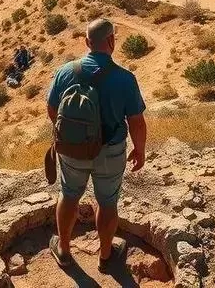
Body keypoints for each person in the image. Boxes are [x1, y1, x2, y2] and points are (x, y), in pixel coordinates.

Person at [46, 18, 147, 274]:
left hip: (73, 150)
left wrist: (70, 136)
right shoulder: (126, 78)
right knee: (107, 201)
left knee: (69, 195)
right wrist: (140, 149)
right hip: (111, 151)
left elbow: (52, 109)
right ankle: (105, 255)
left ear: (87, 42)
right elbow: (136, 121)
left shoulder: (65, 71)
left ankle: (64, 251)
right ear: (112, 41)